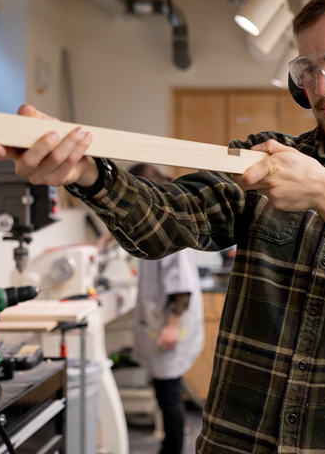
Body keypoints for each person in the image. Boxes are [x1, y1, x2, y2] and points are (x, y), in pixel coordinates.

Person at [0, 0, 325, 453]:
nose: (323, 85)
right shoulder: (264, 158)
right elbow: (163, 222)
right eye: (308, 68)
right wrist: (85, 171)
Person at [104, 163, 204, 454]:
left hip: (171, 324)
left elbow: (181, 286)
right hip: (162, 321)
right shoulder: (157, 221)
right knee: (166, 393)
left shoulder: (170, 227)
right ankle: (168, 446)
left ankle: (171, 450)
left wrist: (172, 325)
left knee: (170, 395)